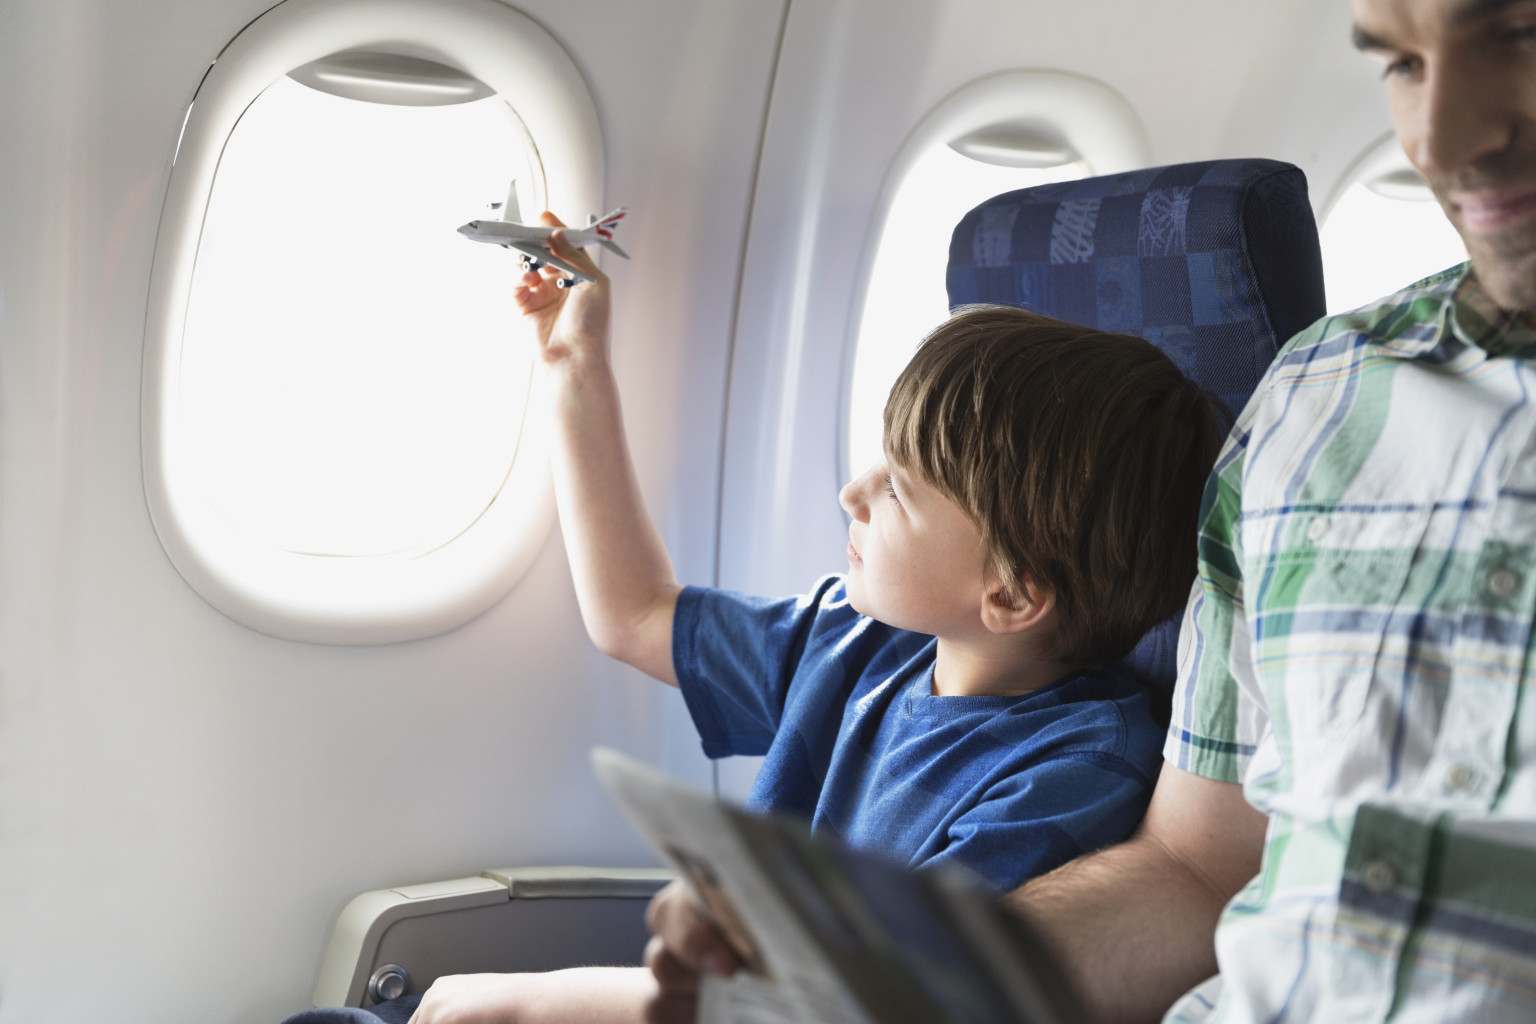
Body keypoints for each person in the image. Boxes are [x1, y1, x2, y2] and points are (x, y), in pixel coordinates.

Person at [643, 0, 1536, 1021]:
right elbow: (1195, 872)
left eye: (1517, 34)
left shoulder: (1072, 758)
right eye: (1403, 63)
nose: (1439, 138)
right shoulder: (1314, 400)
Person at [400, 214, 1224, 1023]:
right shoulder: (859, 644)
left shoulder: (1069, 779)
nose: (852, 493)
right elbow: (635, 614)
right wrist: (574, 367)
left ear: (1010, 595)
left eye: (896, 490)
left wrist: (529, 1000)